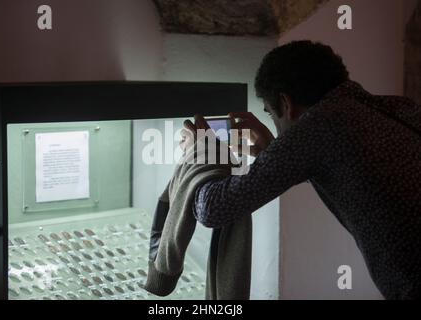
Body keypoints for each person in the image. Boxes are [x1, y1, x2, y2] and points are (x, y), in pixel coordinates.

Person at [180, 41, 421, 300]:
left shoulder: (317, 126)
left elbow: (213, 209)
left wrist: (200, 151)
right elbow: (347, 165)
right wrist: (275, 150)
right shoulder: (396, 107)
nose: (275, 123)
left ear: (286, 103)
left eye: (272, 114)